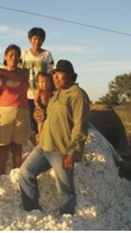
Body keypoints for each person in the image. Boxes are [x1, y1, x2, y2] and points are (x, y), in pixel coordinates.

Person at [19, 59, 90, 215]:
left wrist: (72, 152)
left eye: (60, 74)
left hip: (61, 149)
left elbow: (80, 125)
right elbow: (49, 117)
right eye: (55, 74)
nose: (56, 78)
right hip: (43, 146)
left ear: (71, 76)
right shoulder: (55, 94)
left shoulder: (78, 95)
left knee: (65, 187)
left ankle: (67, 217)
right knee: (25, 171)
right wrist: (39, 115)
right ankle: (32, 210)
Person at [0, 44, 31, 175]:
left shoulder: (24, 72)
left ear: (20, 58)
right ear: (5, 57)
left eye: (16, 55)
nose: (14, 58)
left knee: (18, 146)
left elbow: (21, 78)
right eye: (11, 55)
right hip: (4, 111)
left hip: (22, 111)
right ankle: (1, 173)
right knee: (3, 146)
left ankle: (16, 174)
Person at [21, 27, 54, 138]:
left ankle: (40, 140)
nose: (37, 42)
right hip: (27, 93)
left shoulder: (47, 55)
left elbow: (50, 73)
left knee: (40, 119)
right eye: (34, 39)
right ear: (30, 40)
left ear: (43, 40)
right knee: (27, 118)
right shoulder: (24, 54)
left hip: (41, 94)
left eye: (40, 39)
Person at [33, 71, 54, 143]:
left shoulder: (50, 91)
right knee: (41, 121)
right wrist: (40, 108)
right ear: (38, 83)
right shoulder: (39, 91)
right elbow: (35, 101)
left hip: (48, 108)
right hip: (40, 107)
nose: (44, 84)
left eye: (47, 82)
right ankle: (40, 135)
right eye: (42, 82)